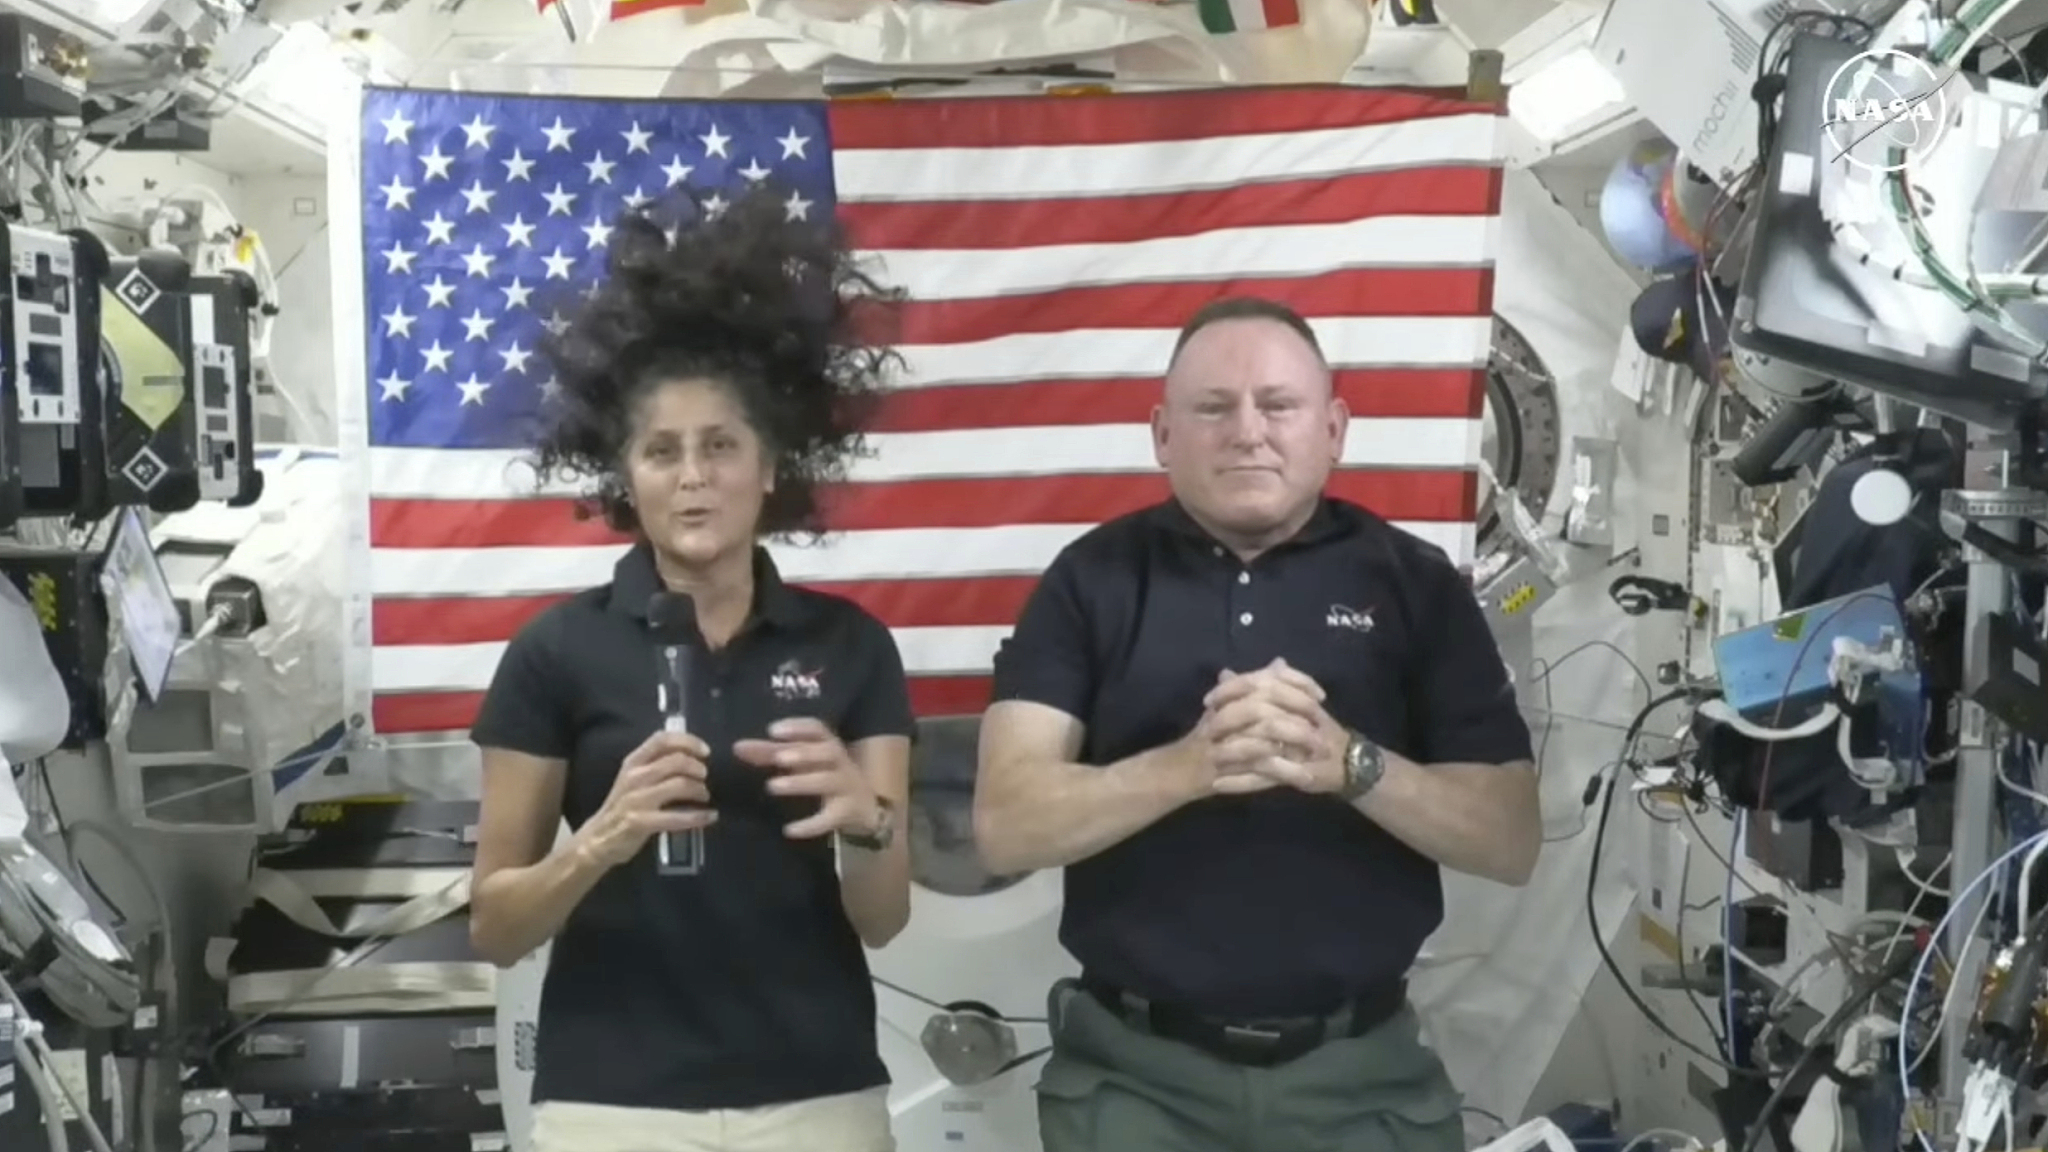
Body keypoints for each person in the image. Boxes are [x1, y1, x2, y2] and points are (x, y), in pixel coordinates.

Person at [973, 296, 1543, 1152]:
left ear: (1334, 429)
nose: (1248, 431)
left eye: (1278, 405)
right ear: (1164, 435)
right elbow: (1004, 827)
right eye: (1214, 408)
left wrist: (1349, 763)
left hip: (1362, 1083)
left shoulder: (1416, 586)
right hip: (1135, 1086)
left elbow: (1511, 839)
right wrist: (1191, 767)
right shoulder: (1090, 581)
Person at [467, 189, 914, 1152]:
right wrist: (601, 841)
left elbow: (883, 922)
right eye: (661, 451)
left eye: (721, 446)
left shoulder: (852, 645)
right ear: (623, 475)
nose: (694, 475)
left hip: (819, 1094)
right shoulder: (553, 652)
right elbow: (494, 928)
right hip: (609, 1104)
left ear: (772, 466)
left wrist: (869, 820)